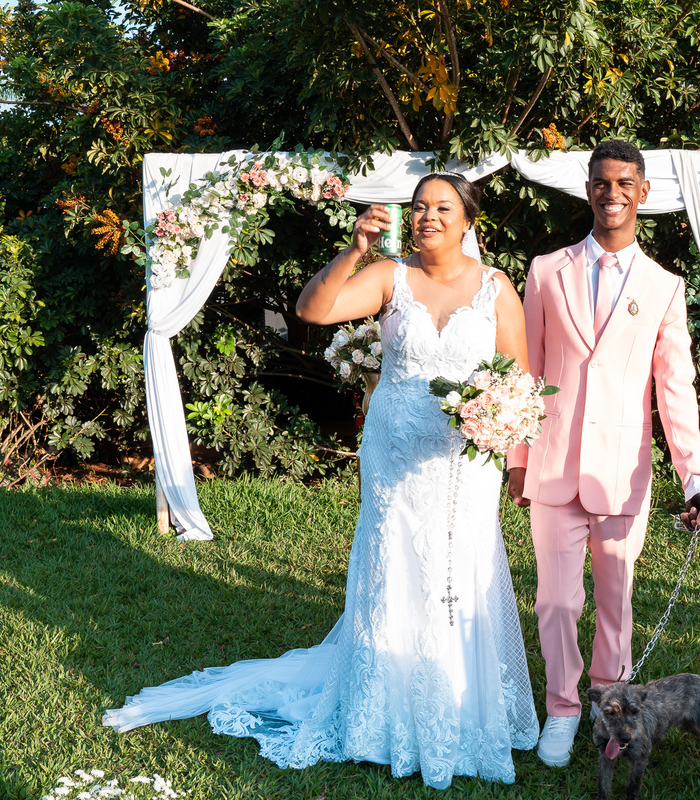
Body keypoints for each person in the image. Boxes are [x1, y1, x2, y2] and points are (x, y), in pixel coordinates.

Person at [102, 173, 539, 790]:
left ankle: (461, 706)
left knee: (458, 569)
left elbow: (517, 377)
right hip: (393, 449)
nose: (427, 216)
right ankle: (380, 715)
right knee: (393, 564)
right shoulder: (391, 277)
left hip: (464, 462)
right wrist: (356, 249)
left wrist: (506, 437)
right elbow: (314, 310)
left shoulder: (496, 288)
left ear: (468, 220)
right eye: (418, 207)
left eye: (442, 207)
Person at [505, 139, 700, 768]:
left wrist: (696, 481)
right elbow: (524, 369)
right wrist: (517, 458)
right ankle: (563, 709)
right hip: (552, 463)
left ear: (643, 193)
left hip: (623, 471)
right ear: (588, 189)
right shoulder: (547, 270)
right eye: (602, 182)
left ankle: (613, 714)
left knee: (614, 602)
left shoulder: (664, 287)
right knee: (556, 601)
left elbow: (675, 392)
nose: (612, 193)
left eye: (625, 183)